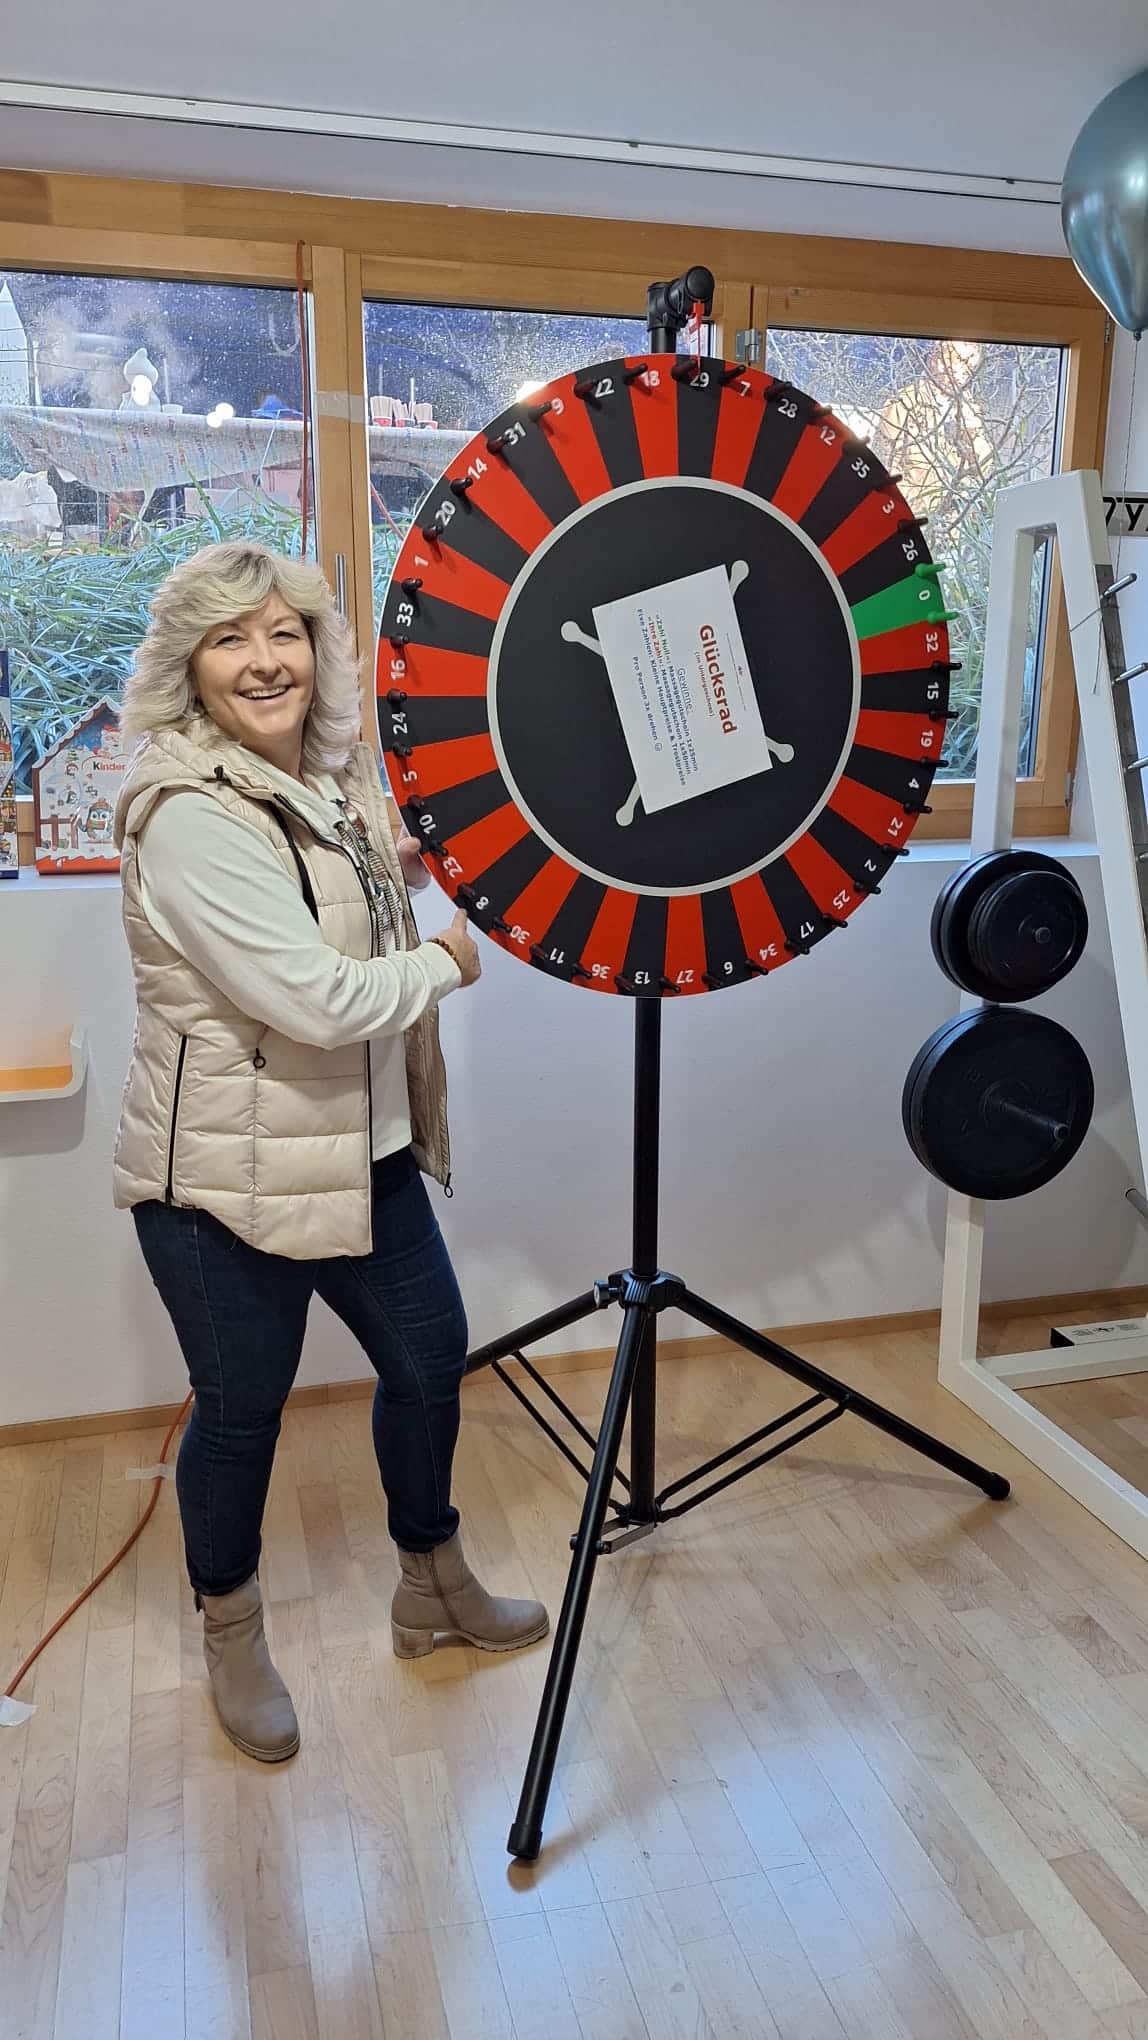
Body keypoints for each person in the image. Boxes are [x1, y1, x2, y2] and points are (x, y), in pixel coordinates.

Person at [113, 540, 547, 1763]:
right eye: (230, 639)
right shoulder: (186, 813)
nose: (264, 662)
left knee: (429, 1363)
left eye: (284, 633)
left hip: (363, 1150)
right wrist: (444, 963)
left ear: (317, 649)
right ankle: (232, 1630)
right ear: (190, 667)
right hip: (219, 1183)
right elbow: (313, 998)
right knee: (240, 1415)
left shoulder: (324, 779)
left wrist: (397, 871)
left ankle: (432, 1584)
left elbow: (328, 900)